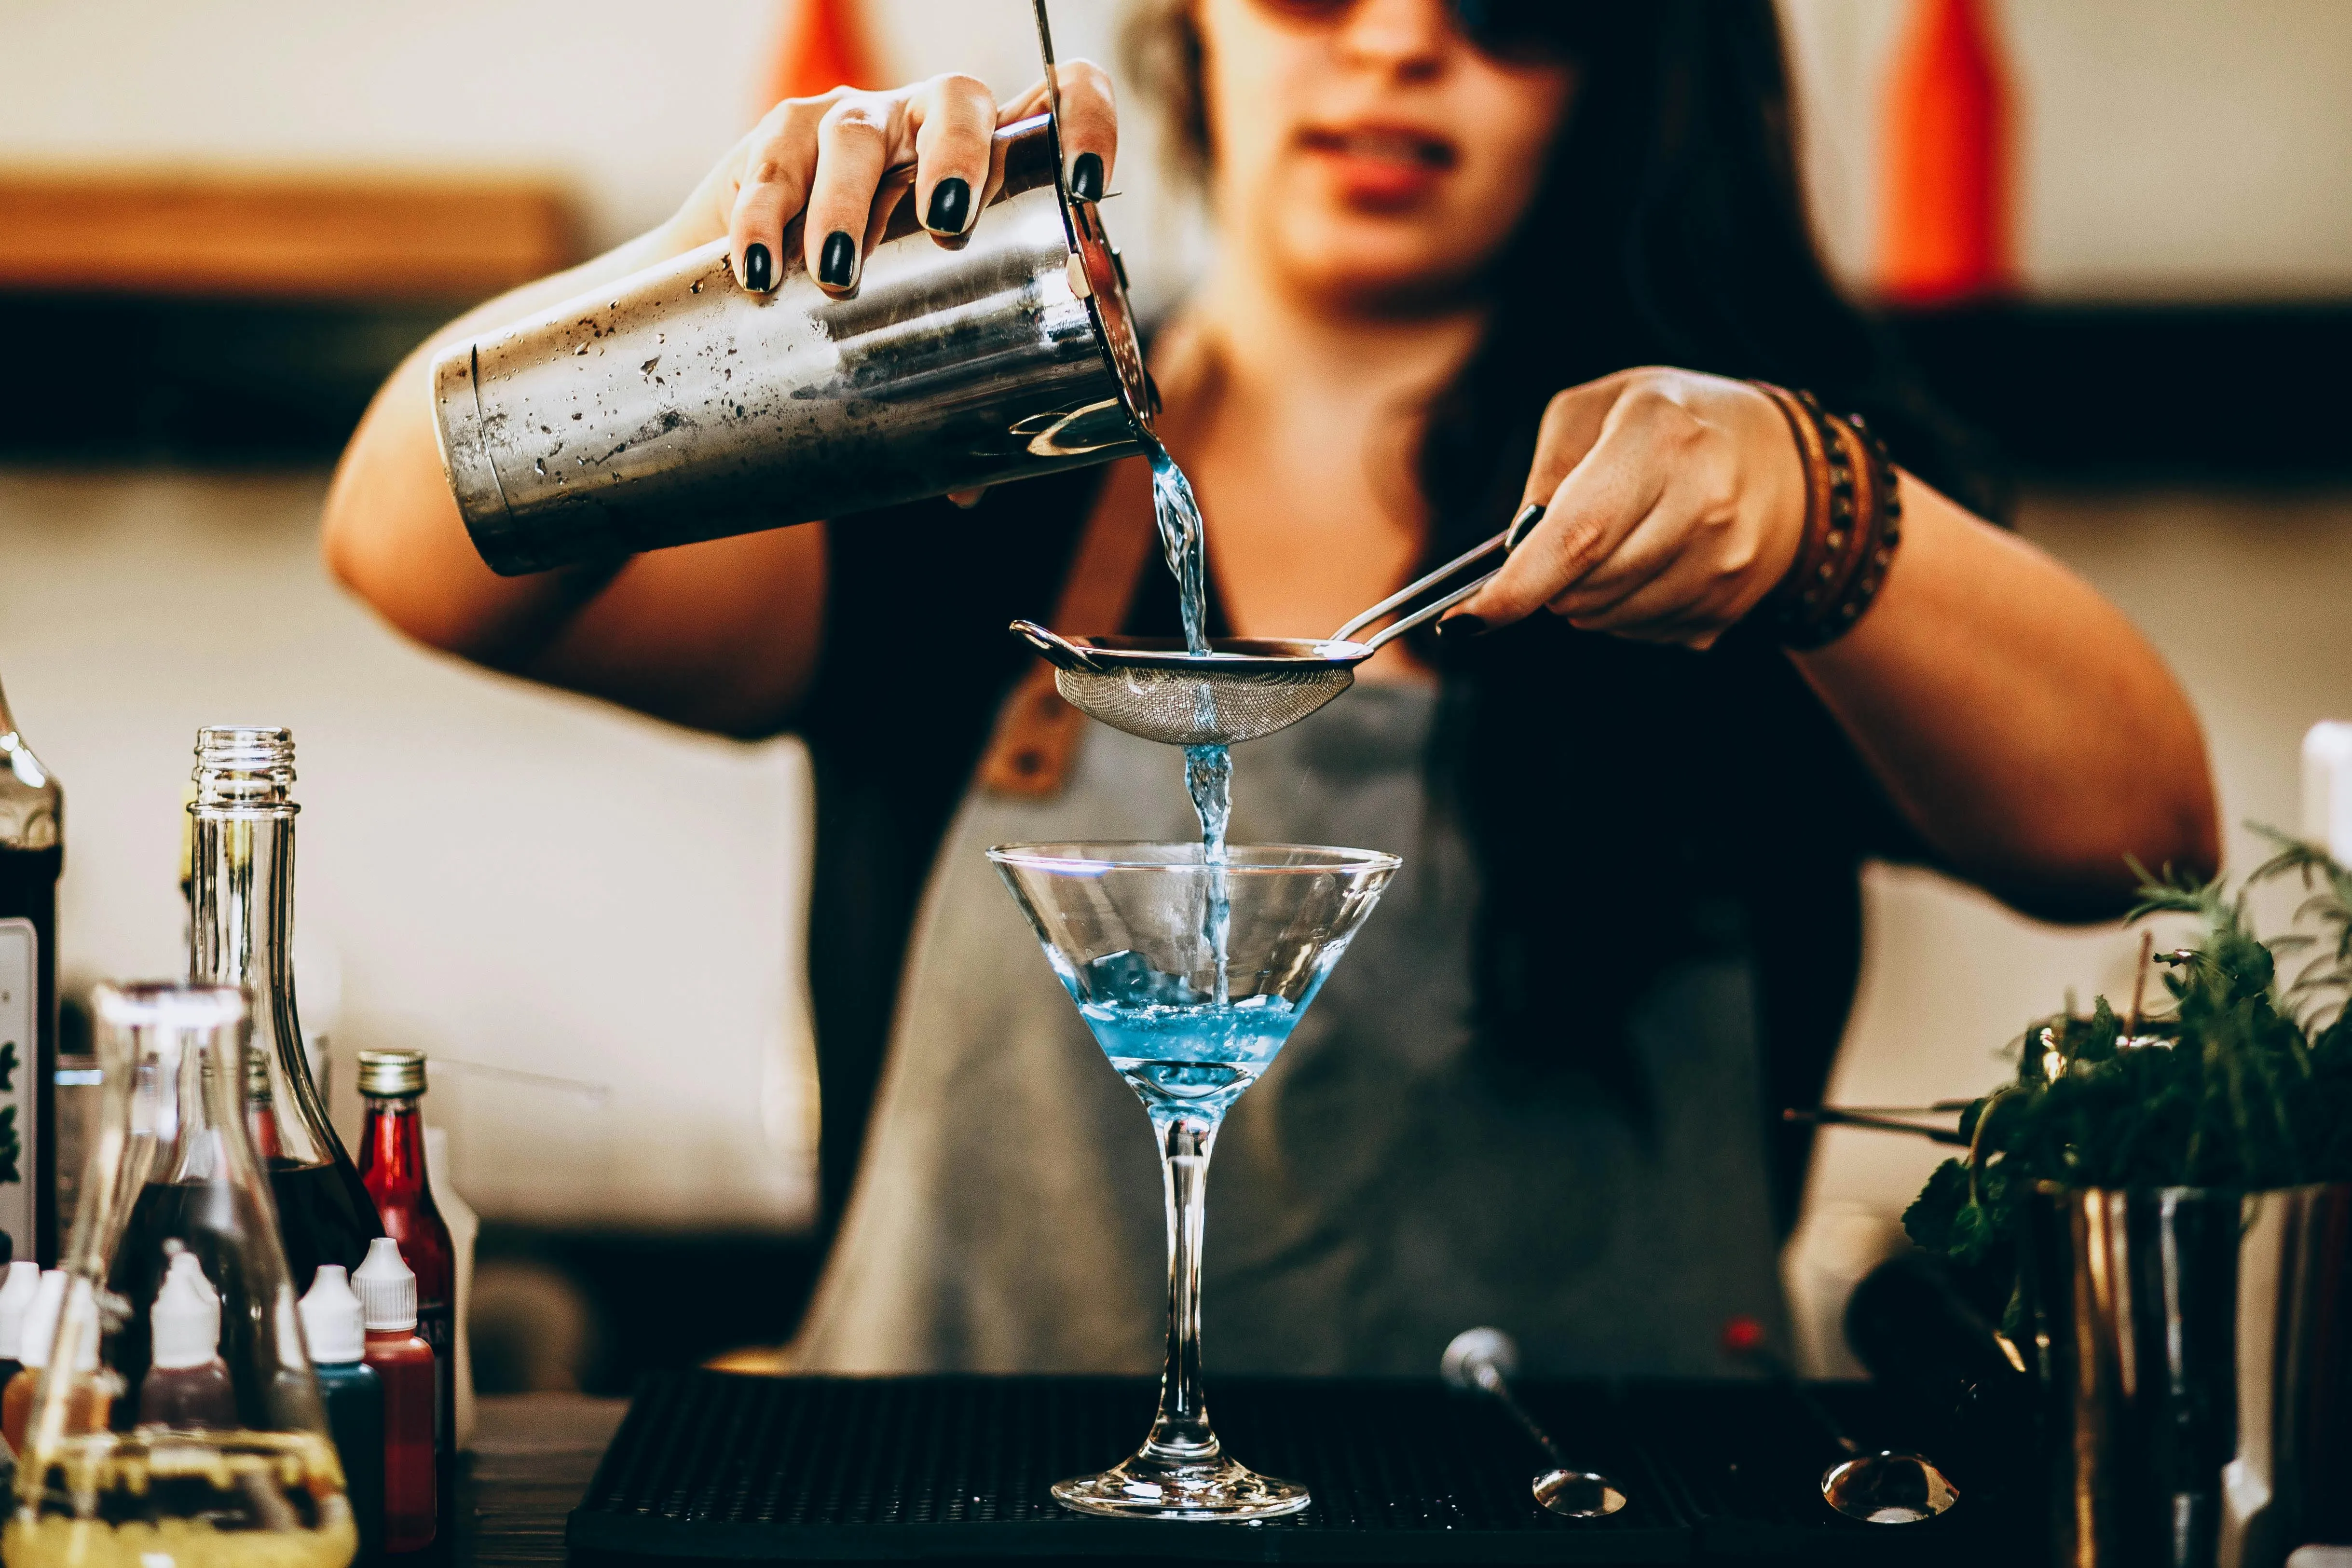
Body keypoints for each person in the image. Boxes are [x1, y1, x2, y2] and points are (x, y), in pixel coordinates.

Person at [324, 0, 2217, 1375]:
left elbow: (2137, 835)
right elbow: (409, 543)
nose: (1397, 42)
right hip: (950, 1527)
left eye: (1513, 12)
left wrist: (1822, 503)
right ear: (1189, 27)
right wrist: (697, 299)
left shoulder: (1721, 518)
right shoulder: (965, 469)